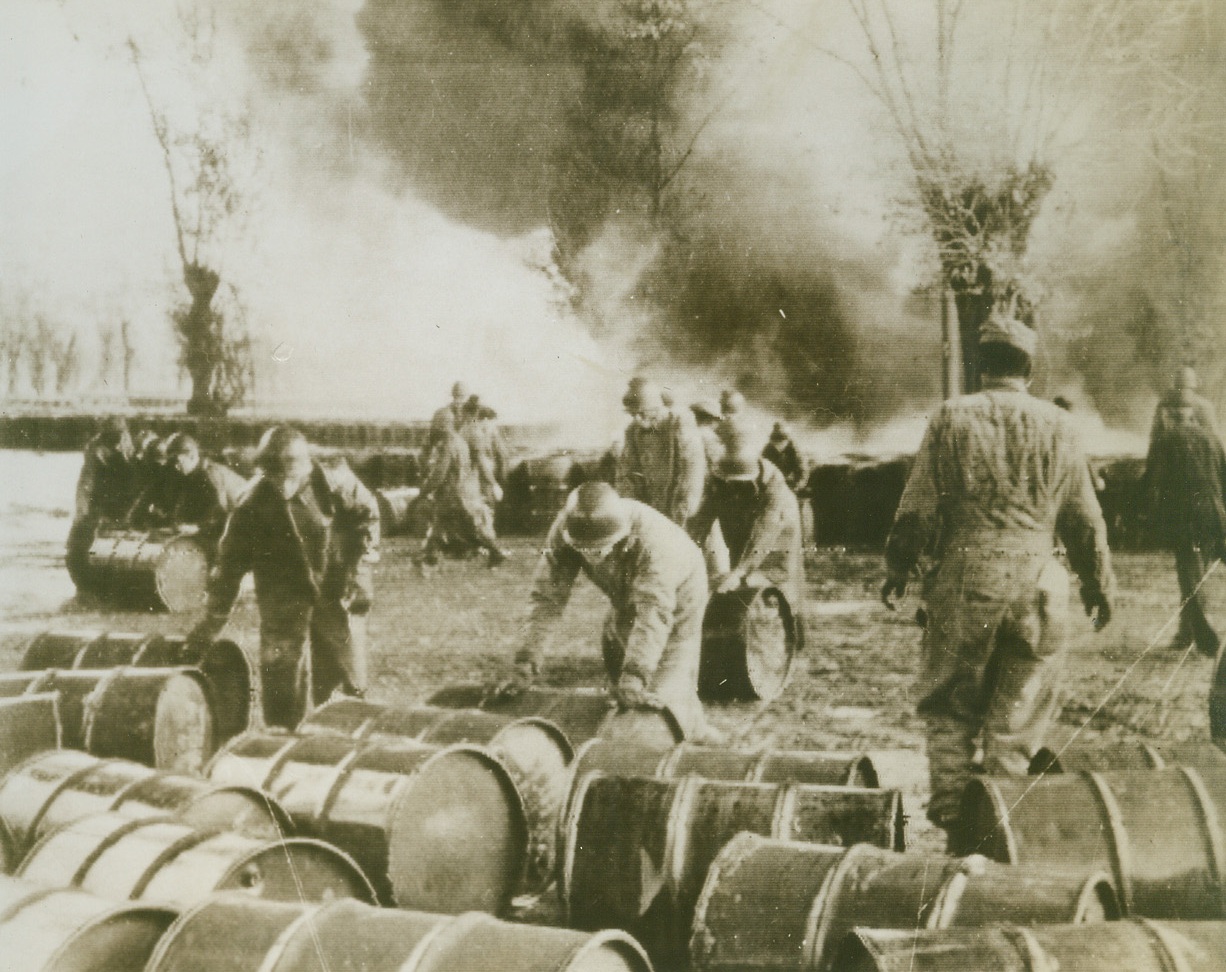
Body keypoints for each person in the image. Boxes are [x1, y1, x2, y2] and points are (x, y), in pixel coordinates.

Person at [881, 311, 1115, 848]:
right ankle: (997, 833)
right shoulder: (1060, 425)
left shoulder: (951, 417)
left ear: (980, 364)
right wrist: (1100, 585)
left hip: (965, 583)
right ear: (1029, 368)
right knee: (1017, 721)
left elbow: (916, 510)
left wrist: (900, 567)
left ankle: (954, 834)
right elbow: (1085, 520)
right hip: (1041, 587)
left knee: (949, 713)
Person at [188, 426, 380, 728]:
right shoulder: (250, 504)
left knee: (346, 672)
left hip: (334, 584)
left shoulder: (334, 481)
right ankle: (283, 738)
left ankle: (345, 736)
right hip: (282, 591)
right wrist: (209, 625)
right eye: (274, 475)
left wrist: (360, 570)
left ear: (305, 467)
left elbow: (368, 516)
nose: (282, 485)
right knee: (281, 675)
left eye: (289, 475)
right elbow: (228, 569)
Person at [513, 482, 720, 741]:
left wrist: (635, 675)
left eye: (598, 550)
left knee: (666, 679)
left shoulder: (656, 545)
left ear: (619, 536)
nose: (590, 558)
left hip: (680, 591)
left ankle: (693, 730)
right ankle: (688, 723)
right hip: (625, 592)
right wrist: (526, 660)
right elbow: (546, 597)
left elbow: (654, 613)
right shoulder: (566, 527)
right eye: (582, 550)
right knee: (621, 680)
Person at [1143, 365, 1226, 658]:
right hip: (1213, 511)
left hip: (1186, 515)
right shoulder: (1212, 436)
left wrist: (1150, 511)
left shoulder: (1165, 430)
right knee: (1197, 570)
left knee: (1191, 575)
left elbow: (1153, 475)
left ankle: (1203, 637)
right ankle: (1187, 632)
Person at [688, 426, 805, 608]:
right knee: (736, 580)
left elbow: (764, 533)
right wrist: (685, 547)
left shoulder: (775, 490)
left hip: (780, 531)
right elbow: (701, 520)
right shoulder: (721, 478)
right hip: (744, 522)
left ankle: (783, 621)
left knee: (772, 577)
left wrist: (740, 571)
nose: (733, 490)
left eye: (739, 486)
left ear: (752, 479)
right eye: (730, 485)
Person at [616, 377, 706, 526]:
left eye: (642, 413)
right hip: (650, 505)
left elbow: (693, 466)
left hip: (679, 505)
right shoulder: (632, 431)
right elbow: (627, 470)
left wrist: (685, 505)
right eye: (633, 415)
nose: (637, 419)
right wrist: (628, 504)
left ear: (656, 408)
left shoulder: (679, 422)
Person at [421, 424, 508, 566]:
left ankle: (495, 551)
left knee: (458, 526)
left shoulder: (449, 444)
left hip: (451, 494)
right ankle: (430, 556)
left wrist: (425, 490)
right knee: (443, 524)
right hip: (461, 493)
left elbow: (440, 472)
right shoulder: (460, 442)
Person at [67, 417, 136, 586]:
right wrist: (83, 512)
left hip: (123, 505)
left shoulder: (128, 450)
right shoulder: (96, 451)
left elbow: (137, 482)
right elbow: (86, 486)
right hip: (100, 506)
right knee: (80, 545)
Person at [162, 433, 250, 558]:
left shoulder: (209, 475)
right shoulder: (193, 474)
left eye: (177, 461)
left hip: (244, 535)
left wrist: (197, 528)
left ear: (191, 455)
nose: (176, 467)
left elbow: (222, 518)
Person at [762, 422, 806, 491]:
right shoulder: (767, 449)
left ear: (787, 441)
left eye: (781, 442)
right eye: (775, 442)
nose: (778, 445)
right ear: (771, 441)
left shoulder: (795, 451)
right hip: (774, 480)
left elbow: (802, 473)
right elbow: (762, 467)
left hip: (789, 481)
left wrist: (796, 487)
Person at [430, 381, 470, 447]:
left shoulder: (440, 412)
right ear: (465, 395)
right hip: (461, 447)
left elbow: (432, 435)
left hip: (443, 447)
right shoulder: (469, 412)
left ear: (452, 393)